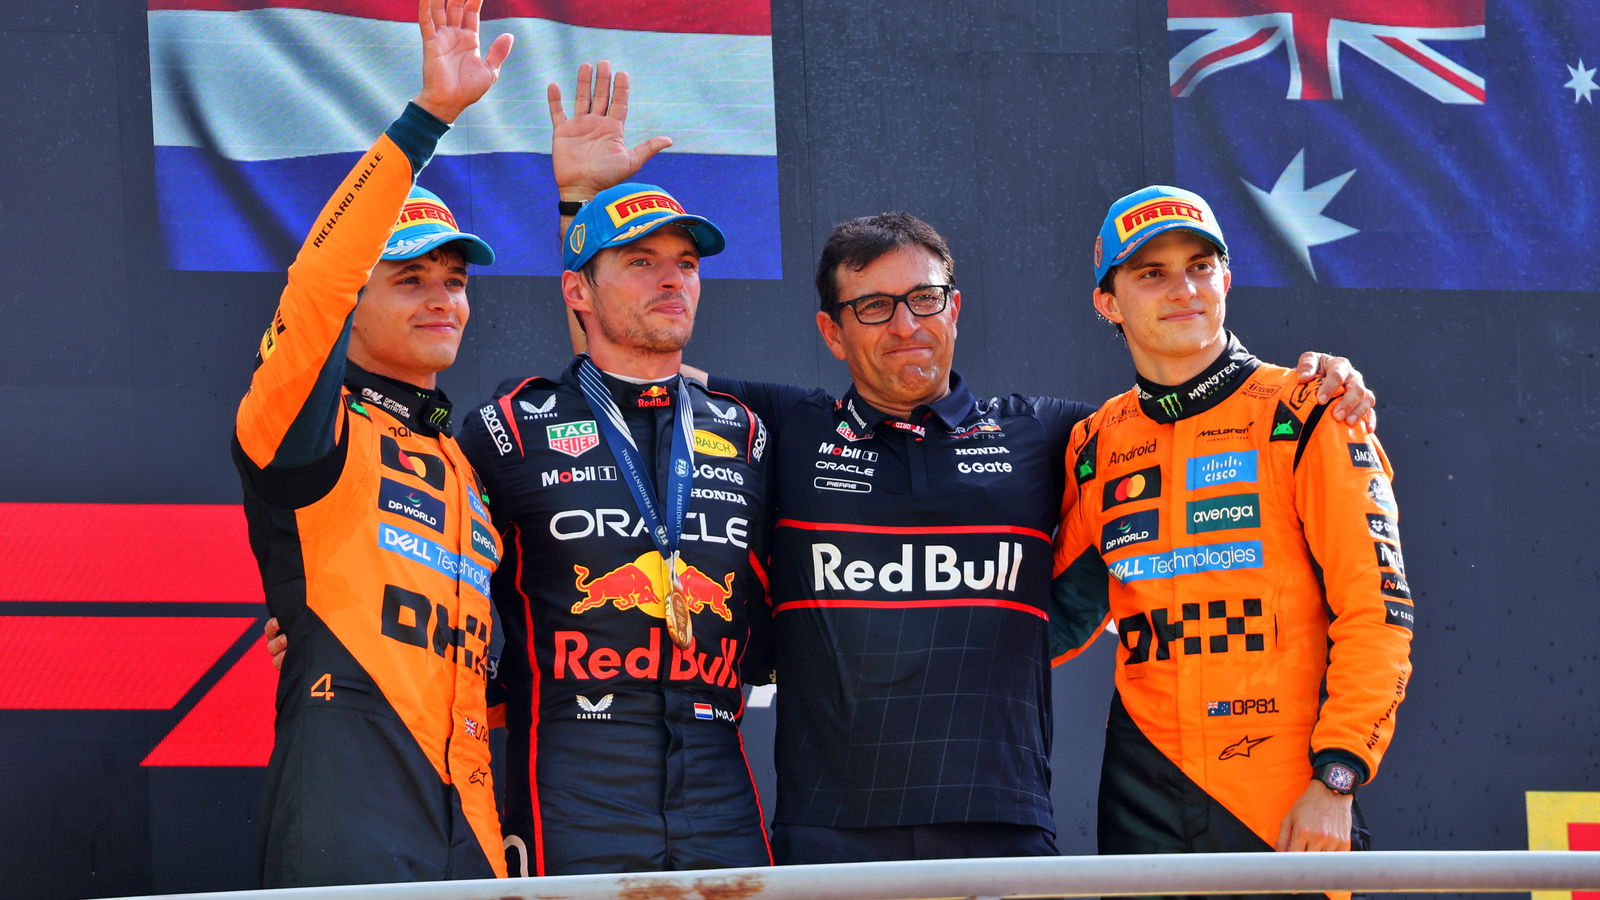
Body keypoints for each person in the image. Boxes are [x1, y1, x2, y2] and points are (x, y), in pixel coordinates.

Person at [549, 68, 1380, 865]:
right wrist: (582, 205)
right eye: (874, 307)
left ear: (956, 307)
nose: (907, 324)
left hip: (1003, 825)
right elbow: (628, 357)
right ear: (833, 333)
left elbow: (1185, 423)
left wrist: (1317, 381)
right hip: (832, 831)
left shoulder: (1061, 436)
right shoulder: (784, 425)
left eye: (926, 298)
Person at [1048, 185, 1414, 899]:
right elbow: (1050, 619)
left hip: (1282, 795)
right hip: (1141, 791)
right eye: (1151, 273)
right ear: (1107, 302)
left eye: (1201, 265)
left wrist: (1336, 778)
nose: (1183, 288)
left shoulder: (1311, 410)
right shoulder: (1095, 444)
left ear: (1227, 277)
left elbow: (1378, 610)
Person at [233, 0, 512, 886]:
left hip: (469, 817)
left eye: (455, 281)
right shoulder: (306, 429)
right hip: (346, 809)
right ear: (359, 298)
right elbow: (317, 286)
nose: (443, 300)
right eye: (410, 280)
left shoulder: (466, 463)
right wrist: (425, 120)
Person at [454, 174, 774, 876]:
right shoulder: (509, 430)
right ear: (577, 292)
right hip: (573, 785)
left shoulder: (744, 431)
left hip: (721, 786)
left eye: (685, 265)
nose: (672, 281)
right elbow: (431, 576)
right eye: (641, 262)